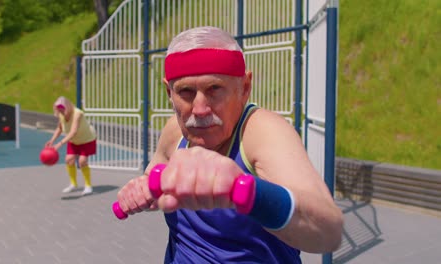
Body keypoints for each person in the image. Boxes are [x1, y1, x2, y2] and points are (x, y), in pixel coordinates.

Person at [116, 26, 343, 263]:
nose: (200, 109)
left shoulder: (261, 131)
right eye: (186, 92)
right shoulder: (175, 130)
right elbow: (154, 176)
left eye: (214, 89)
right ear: (169, 92)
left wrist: (245, 191)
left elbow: (328, 231)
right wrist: (142, 189)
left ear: (244, 88)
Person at [45, 96, 97, 196]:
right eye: (58, 110)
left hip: (87, 139)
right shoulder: (61, 114)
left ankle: (88, 186)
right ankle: (73, 184)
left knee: (82, 161)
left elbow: (73, 132)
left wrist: (59, 144)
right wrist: (51, 141)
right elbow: (60, 128)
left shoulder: (77, 113)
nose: (60, 112)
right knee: (69, 160)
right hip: (74, 141)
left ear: (67, 107)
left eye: (62, 109)